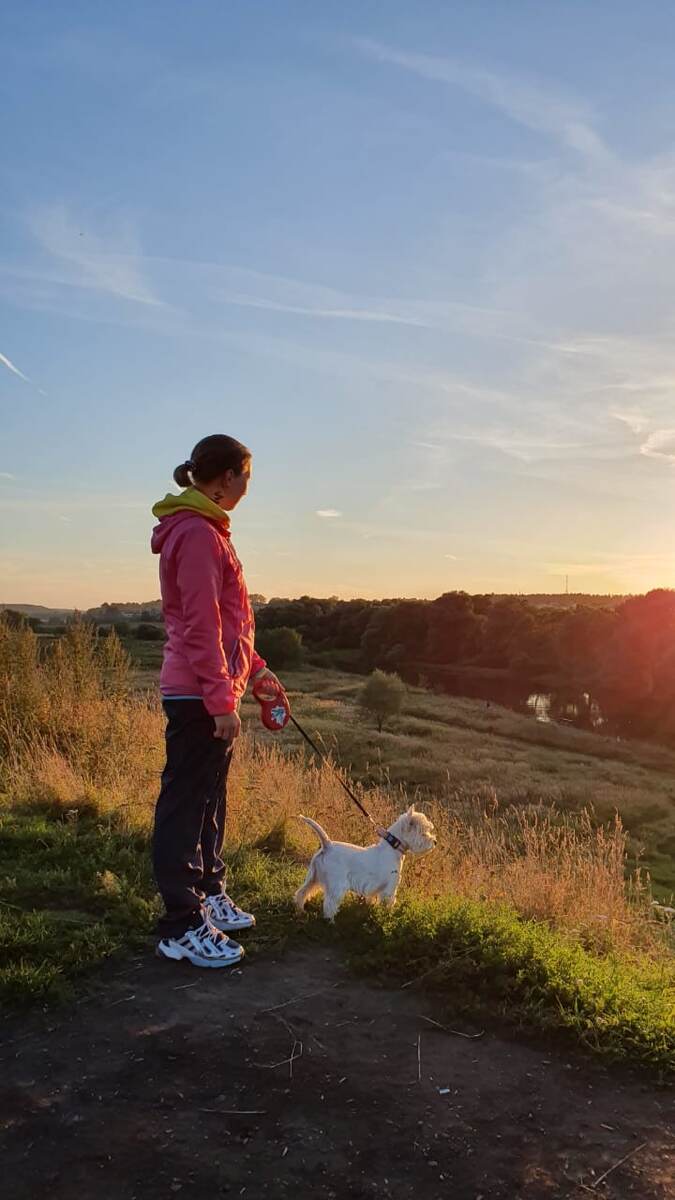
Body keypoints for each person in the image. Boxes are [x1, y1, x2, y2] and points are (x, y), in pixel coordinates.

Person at [150, 433, 282, 968]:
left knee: (209, 797)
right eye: (247, 476)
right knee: (185, 803)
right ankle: (181, 925)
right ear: (227, 477)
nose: (249, 487)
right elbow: (202, 625)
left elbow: (231, 624)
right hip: (198, 692)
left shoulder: (208, 531)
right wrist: (218, 700)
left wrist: (257, 669)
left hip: (213, 687)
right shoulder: (200, 535)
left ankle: (207, 892)